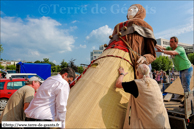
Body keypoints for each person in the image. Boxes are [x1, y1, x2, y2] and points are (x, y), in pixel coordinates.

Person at [115, 64, 170, 128]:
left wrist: (122, 74)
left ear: (137, 73)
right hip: (162, 122)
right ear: (149, 73)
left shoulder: (136, 84)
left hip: (149, 124)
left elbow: (118, 84)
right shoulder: (155, 82)